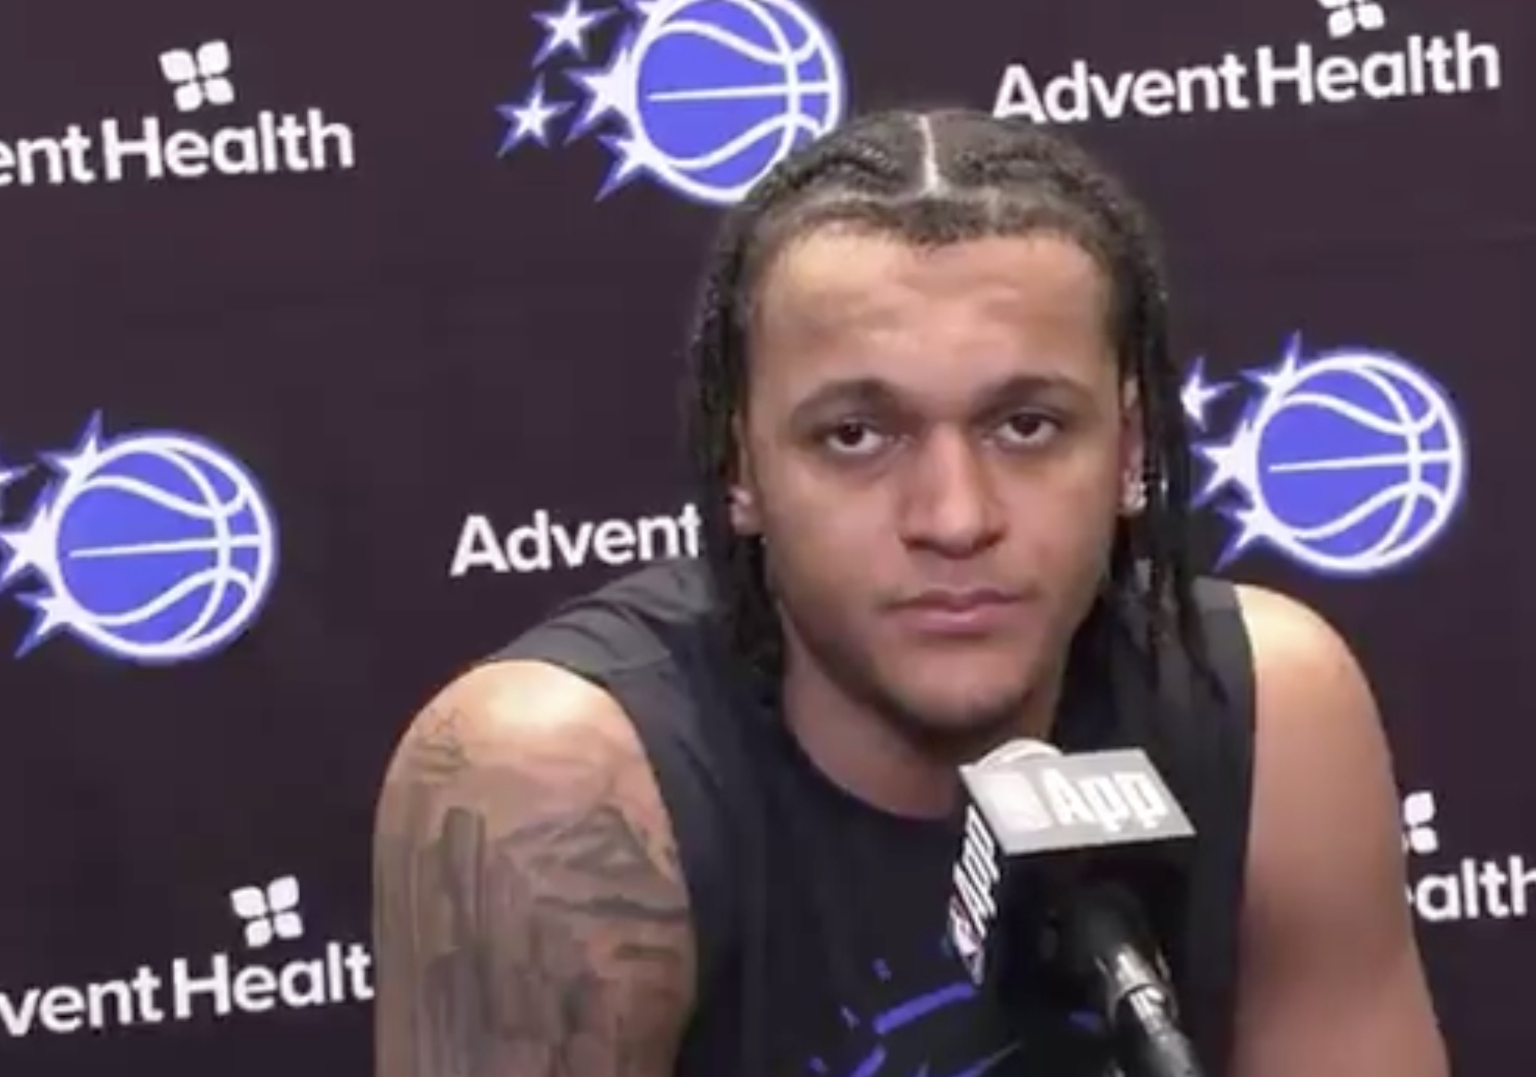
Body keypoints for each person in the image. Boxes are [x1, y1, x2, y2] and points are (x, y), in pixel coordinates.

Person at [371, 108, 1447, 1077]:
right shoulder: (557, 785)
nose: (954, 516)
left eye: (1026, 425)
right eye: (855, 435)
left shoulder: (1262, 707)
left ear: (1129, 452)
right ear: (739, 467)